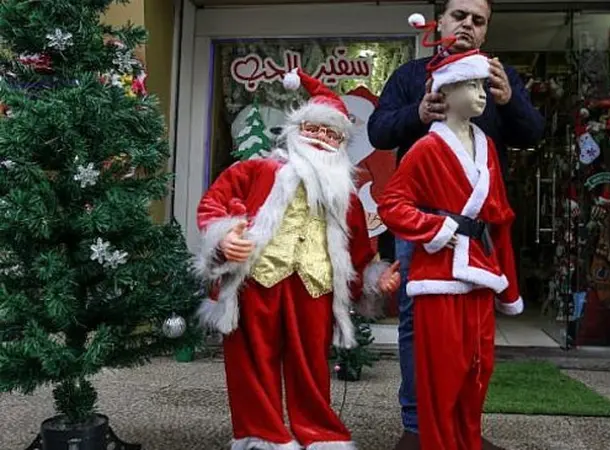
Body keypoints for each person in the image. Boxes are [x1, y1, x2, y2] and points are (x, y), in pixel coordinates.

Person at [367, 2, 545, 449]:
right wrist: (417, 115)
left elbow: (532, 134)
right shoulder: (411, 76)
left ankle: (464, 430)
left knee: (473, 333)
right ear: (440, 21)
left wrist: (511, 99)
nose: (467, 24)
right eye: (459, 15)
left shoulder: (496, 78)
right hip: (424, 222)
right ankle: (417, 426)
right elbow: (377, 132)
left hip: (478, 225)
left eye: (478, 20)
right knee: (417, 321)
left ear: (485, 32)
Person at [193, 68, 400, 450]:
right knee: (253, 363)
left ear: (341, 143)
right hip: (258, 281)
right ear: (296, 130)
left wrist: (374, 278)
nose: (323, 138)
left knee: (311, 368)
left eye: (332, 133)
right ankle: (261, 435)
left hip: (314, 287)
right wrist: (225, 238)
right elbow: (213, 204)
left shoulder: (346, 196)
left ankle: (321, 436)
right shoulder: (257, 169)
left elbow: (357, 251)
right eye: (315, 130)